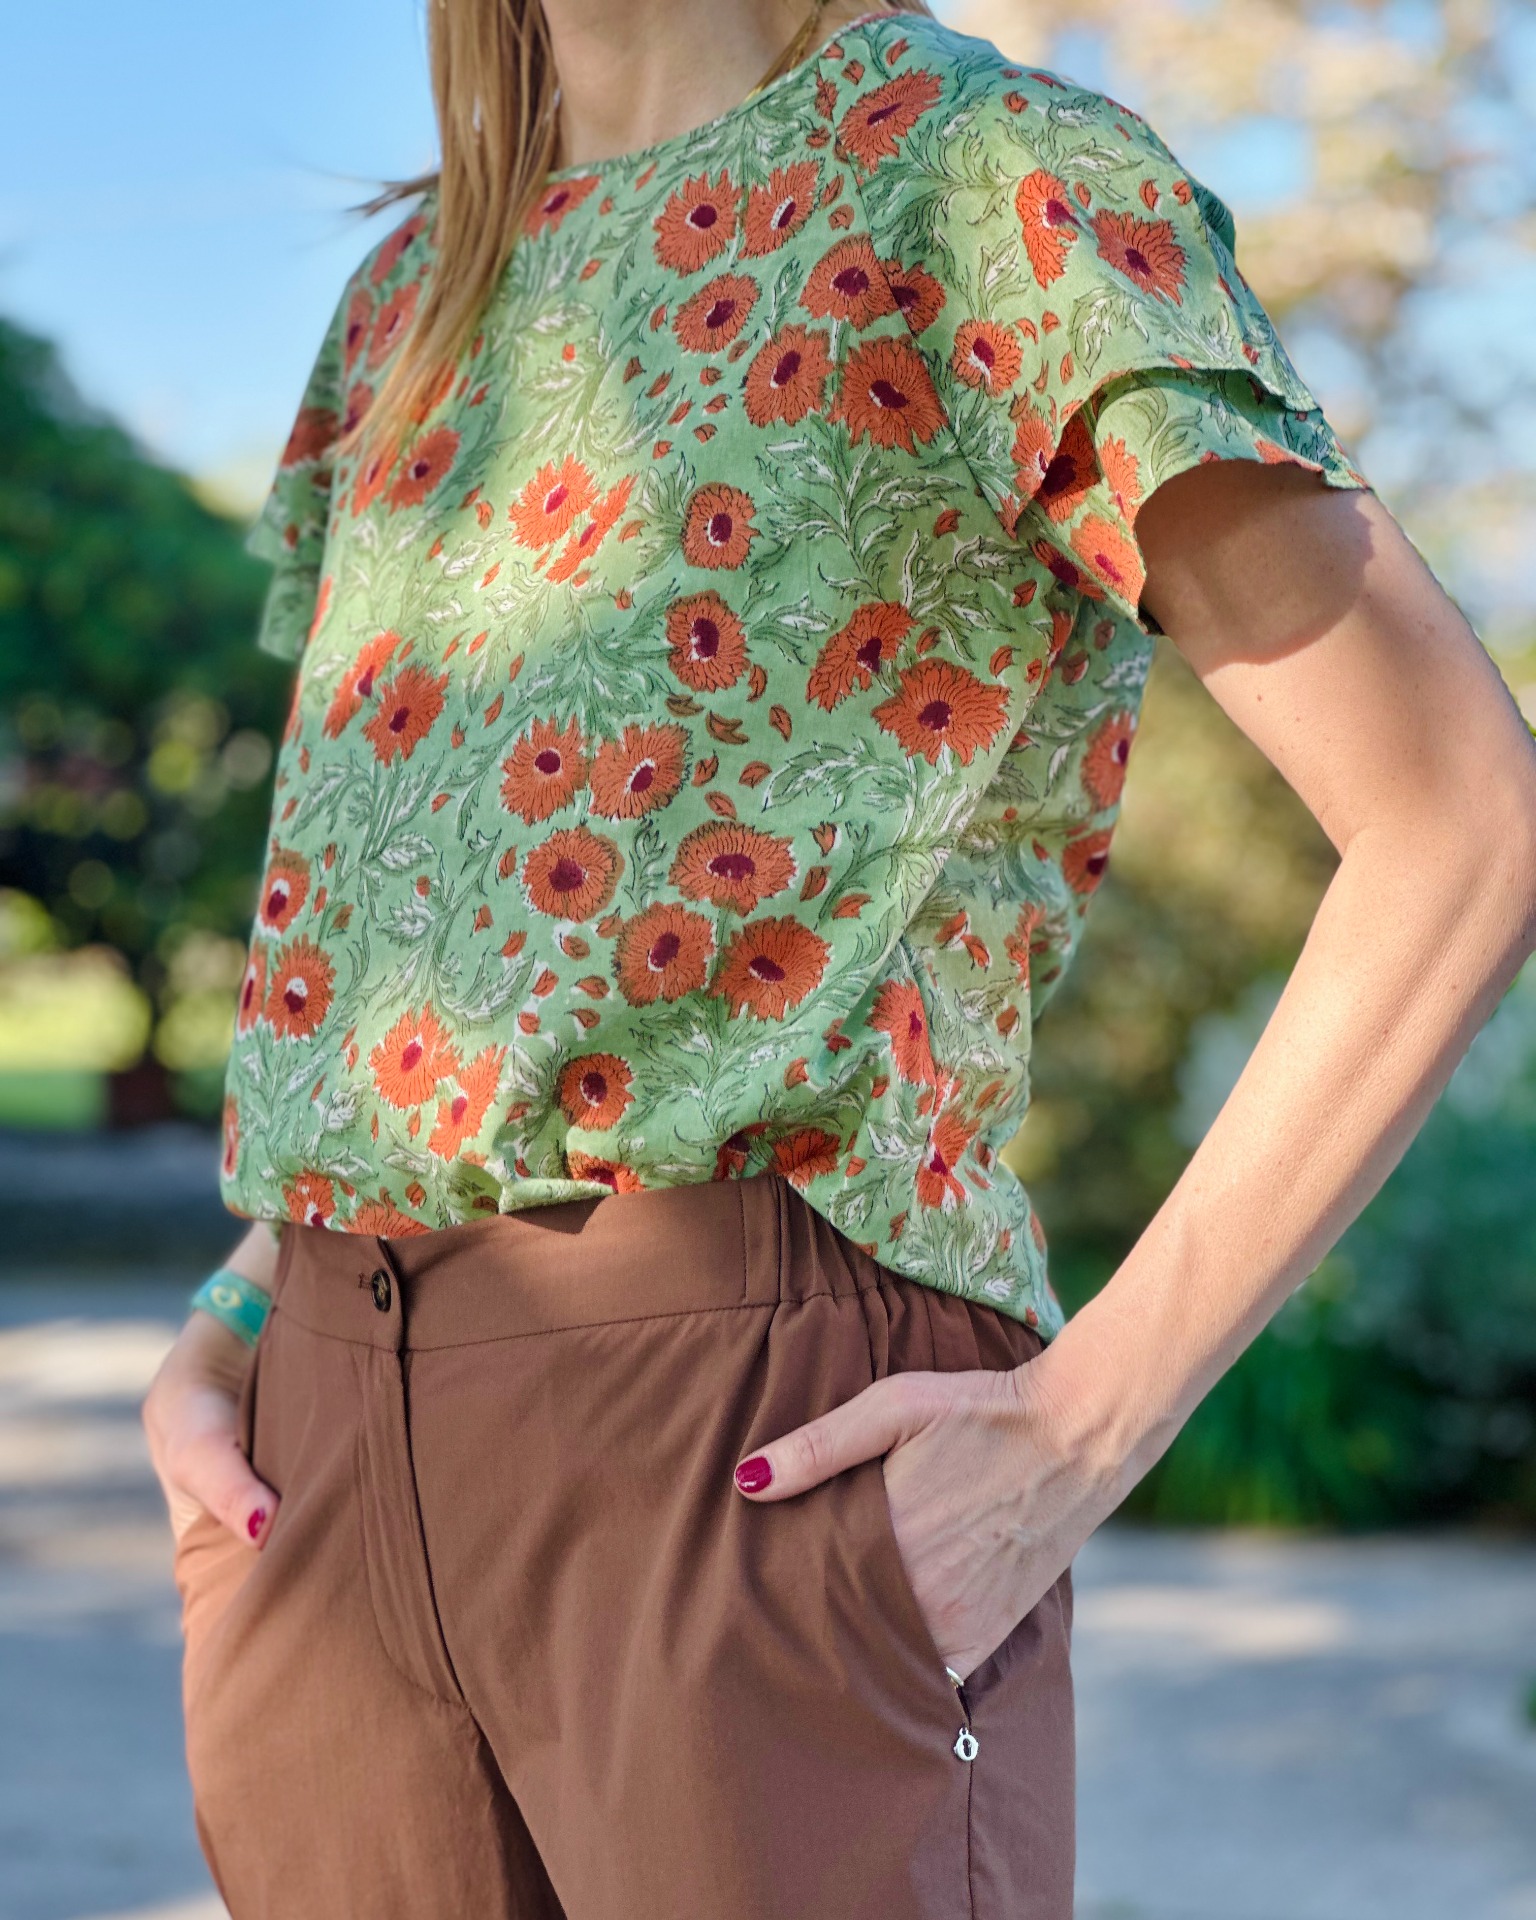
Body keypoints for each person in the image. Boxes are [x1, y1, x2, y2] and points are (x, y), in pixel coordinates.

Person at [141, 0, 1536, 1914]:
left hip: (750, 1439)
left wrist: (1087, 1424)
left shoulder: (975, 179)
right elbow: (425, 903)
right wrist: (242, 1311)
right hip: (314, 1460)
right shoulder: (412, 292)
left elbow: (1462, 818)